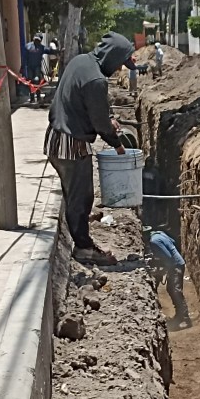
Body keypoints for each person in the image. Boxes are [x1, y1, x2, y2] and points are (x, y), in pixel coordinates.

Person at [44, 31, 137, 266]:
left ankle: (80, 226)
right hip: (70, 144)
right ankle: (84, 248)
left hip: (57, 137)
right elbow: (99, 121)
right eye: (118, 64)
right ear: (112, 57)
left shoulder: (81, 61)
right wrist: (117, 143)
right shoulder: (97, 80)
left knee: (77, 194)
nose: (118, 70)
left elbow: (89, 104)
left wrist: (109, 118)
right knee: (80, 197)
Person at [144, 227, 191, 329]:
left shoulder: (153, 241)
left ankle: (185, 319)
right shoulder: (160, 233)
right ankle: (179, 316)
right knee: (171, 289)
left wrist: (160, 270)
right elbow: (172, 242)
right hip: (178, 263)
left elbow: (168, 257)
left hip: (175, 265)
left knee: (176, 291)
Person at [24, 34, 54, 103]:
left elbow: (50, 51)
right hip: (29, 67)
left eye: (38, 40)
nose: (37, 41)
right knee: (30, 82)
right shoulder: (27, 46)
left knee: (37, 81)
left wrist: (58, 51)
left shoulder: (42, 48)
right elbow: (24, 58)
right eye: (36, 39)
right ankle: (32, 98)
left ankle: (38, 97)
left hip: (37, 67)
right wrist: (23, 68)